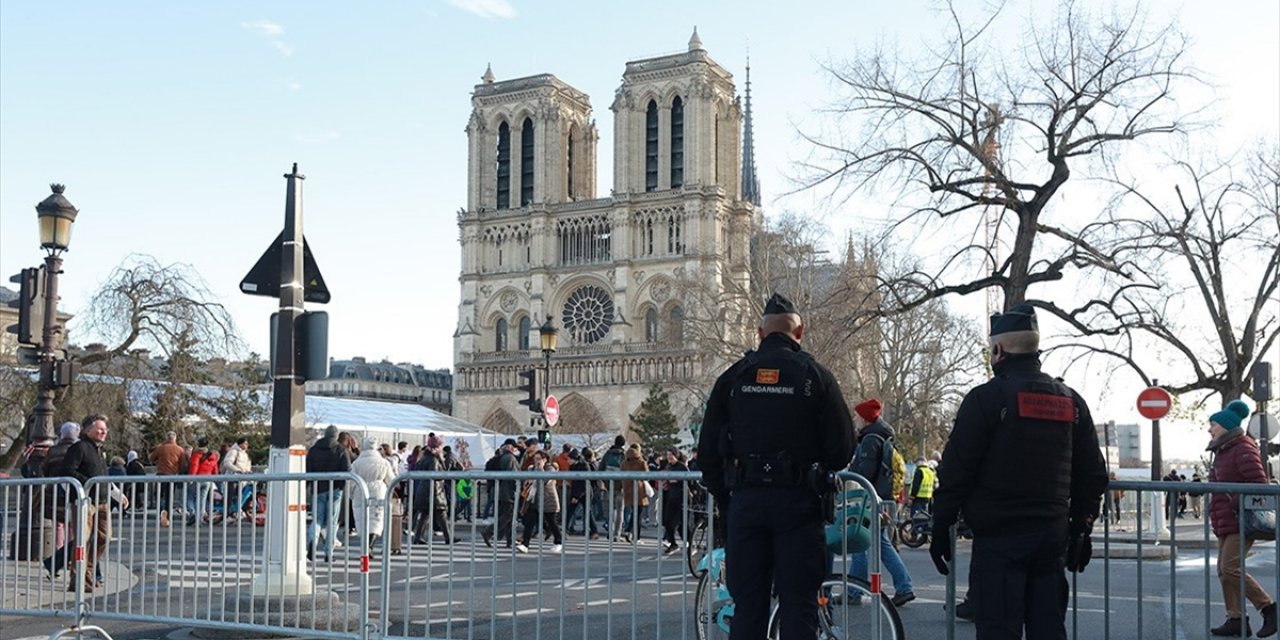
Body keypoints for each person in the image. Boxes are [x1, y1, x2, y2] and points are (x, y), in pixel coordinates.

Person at [929, 304, 1108, 640]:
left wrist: (941, 524)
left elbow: (957, 470)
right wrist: (1082, 526)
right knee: (1048, 629)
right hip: (1051, 537)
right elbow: (1092, 475)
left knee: (998, 630)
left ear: (998, 350)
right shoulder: (1072, 401)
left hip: (999, 540)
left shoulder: (986, 398)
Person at [696, 293, 856, 639]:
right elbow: (842, 449)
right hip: (799, 504)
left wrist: (728, 498)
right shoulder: (817, 377)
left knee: (748, 608)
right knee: (799, 608)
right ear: (800, 331)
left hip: (747, 503)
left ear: (759, 332)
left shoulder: (734, 377)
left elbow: (707, 450)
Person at [1206, 399, 1276, 637]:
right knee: (1223, 570)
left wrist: (1232, 502)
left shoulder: (1243, 447)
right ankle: (1235, 619)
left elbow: (1259, 484)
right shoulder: (1222, 450)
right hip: (1225, 519)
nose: (1210, 429)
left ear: (1226, 426)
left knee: (1230, 567)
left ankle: (1269, 608)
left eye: (1213, 424)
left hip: (1240, 518)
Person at [848, 398, 915, 607]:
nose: (855, 420)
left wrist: (850, 475)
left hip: (869, 498)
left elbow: (865, 472)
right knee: (882, 545)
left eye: (857, 416)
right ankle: (904, 586)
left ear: (865, 418)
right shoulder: (881, 436)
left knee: (859, 542)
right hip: (882, 496)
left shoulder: (870, 439)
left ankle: (854, 591)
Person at [62, 414, 127, 593]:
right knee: (82, 541)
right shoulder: (78, 448)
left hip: (103, 501)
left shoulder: (99, 450)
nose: (104, 431)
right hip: (84, 501)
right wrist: (88, 483)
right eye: (100, 429)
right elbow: (67, 471)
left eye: (105, 429)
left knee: (104, 537)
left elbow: (103, 475)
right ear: (87, 430)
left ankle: (89, 572)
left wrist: (117, 494)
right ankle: (78, 579)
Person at [306, 425, 351, 561]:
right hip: (335, 490)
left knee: (317, 519)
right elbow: (347, 470)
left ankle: (312, 541)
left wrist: (308, 486)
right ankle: (328, 553)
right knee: (332, 521)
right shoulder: (341, 450)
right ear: (336, 436)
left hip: (317, 487)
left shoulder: (314, 450)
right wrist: (340, 487)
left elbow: (308, 469)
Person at [352, 436, 396, 550]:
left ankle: (365, 543)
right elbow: (391, 480)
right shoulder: (384, 462)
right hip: (378, 490)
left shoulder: (357, 463)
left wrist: (351, 494)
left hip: (360, 490)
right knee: (377, 518)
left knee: (361, 517)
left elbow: (351, 480)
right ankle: (370, 544)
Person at [516, 450, 562, 553]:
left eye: (539, 459)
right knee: (530, 523)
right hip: (534, 500)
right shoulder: (532, 469)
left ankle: (558, 541)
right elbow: (528, 481)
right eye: (535, 459)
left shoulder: (550, 469)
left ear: (545, 459)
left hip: (548, 500)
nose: (536, 461)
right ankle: (525, 544)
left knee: (552, 522)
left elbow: (545, 481)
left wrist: (540, 469)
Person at [481, 438, 521, 549]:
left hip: (499, 491)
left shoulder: (499, 457)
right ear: (512, 447)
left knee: (507, 516)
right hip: (507, 492)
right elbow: (512, 476)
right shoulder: (510, 458)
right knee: (508, 515)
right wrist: (517, 489)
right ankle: (489, 531)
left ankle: (510, 540)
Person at [149, 431, 186, 528]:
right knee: (169, 497)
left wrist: (159, 460)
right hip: (172, 476)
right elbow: (182, 464)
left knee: (159, 495)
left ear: (167, 438)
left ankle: (161, 512)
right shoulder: (180, 450)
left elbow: (151, 458)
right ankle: (168, 516)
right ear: (175, 438)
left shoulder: (161, 448)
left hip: (161, 474)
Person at [618, 444, 649, 543]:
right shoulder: (641, 462)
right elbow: (647, 475)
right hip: (639, 490)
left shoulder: (624, 463)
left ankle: (628, 530)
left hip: (627, 490)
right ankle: (637, 537)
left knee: (634, 512)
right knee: (638, 514)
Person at [661, 449, 689, 555]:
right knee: (667, 521)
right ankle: (673, 544)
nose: (669, 457)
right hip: (671, 497)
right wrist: (666, 484)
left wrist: (677, 480)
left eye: (671, 455)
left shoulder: (682, 467)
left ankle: (690, 543)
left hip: (682, 498)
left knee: (681, 523)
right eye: (668, 455)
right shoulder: (668, 467)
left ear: (676, 456)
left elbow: (689, 480)